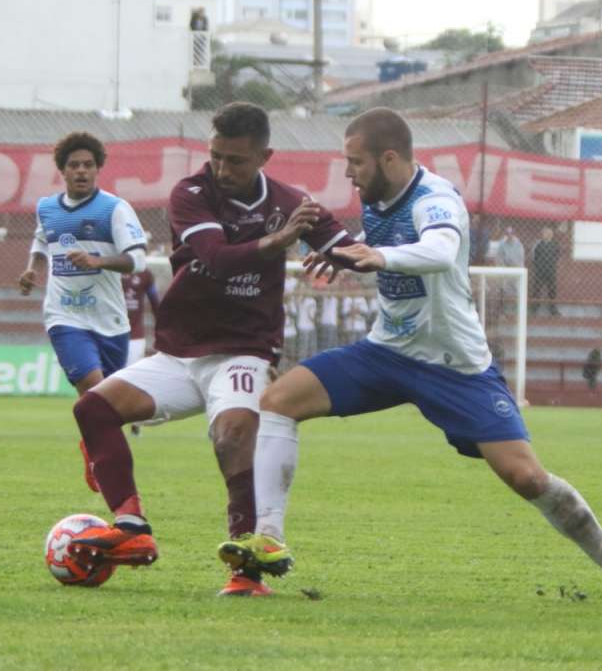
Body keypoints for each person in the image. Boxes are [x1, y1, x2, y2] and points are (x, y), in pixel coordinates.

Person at [217, 107, 602, 608]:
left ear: (389, 158)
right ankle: (269, 536)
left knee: (527, 477)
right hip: (386, 353)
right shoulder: (378, 198)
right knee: (278, 400)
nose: (348, 173)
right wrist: (348, 253)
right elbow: (386, 253)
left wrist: (378, 257)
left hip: (454, 367)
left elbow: (441, 250)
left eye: (355, 162)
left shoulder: (435, 197)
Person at [65, 102, 356, 597]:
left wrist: (348, 255)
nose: (222, 169)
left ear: (265, 155)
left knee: (233, 434)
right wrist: (283, 238)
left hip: (242, 350)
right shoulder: (191, 193)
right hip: (179, 354)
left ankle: (246, 565)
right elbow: (216, 259)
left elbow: (346, 245)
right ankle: (131, 526)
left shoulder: (290, 200)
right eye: (215, 155)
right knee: (92, 409)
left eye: (235, 160)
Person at [18, 132, 149, 491]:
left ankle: (90, 444)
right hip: (65, 317)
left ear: (98, 169)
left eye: (88, 165)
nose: (81, 171)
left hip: (110, 321)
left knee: (110, 407)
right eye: (74, 165)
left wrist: (97, 260)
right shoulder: (47, 207)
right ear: (62, 170)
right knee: (92, 388)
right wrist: (33, 267)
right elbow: (42, 237)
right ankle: (102, 464)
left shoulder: (114, 209)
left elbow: (137, 259)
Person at [122, 267, 161, 435]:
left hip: (135, 336)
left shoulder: (145, 273)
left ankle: (135, 424)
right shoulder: (109, 268)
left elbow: (155, 303)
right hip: (111, 333)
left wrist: (163, 328)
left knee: (134, 381)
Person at [492, 225, 525, 315]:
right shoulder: (502, 244)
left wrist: (513, 265)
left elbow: (520, 259)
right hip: (505, 269)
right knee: (502, 289)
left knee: (518, 290)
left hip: (516, 270)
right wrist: (503, 266)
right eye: (508, 234)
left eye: (511, 234)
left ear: (514, 234)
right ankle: (503, 310)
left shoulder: (518, 244)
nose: (509, 235)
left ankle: (519, 310)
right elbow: (498, 258)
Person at [530, 226, 560, 316]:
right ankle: (534, 308)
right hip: (540, 271)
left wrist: (551, 264)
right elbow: (534, 257)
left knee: (552, 290)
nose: (547, 235)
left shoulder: (555, 245)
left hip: (551, 270)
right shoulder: (538, 245)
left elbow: (557, 256)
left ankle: (553, 308)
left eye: (549, 233)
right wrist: (539, 265)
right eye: (545, 233)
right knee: (536, 289)